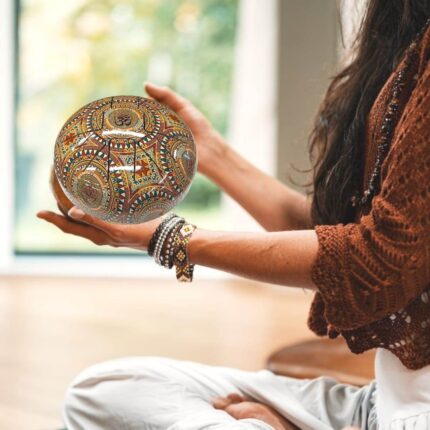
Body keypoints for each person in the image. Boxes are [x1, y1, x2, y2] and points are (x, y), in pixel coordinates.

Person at [38, 1, 430, 429]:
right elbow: (337, 239)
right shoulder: (404, 38)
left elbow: (378, 259)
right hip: (376, 407)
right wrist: (215, 156)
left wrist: (169, 238)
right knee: (104, 390)